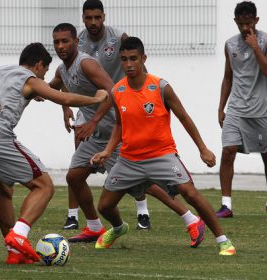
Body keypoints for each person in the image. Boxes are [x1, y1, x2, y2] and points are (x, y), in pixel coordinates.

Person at [0, 43, 108, 265]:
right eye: (45, 72)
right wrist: (97, 99)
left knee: (4, 190)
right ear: (39, 64)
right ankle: (19, 235)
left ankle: (15, 252)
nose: (44, 77)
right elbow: (65, 99)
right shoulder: (30, 79)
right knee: (44, 186)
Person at [50, 23, 206, 248]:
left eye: (65, 41)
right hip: (95, 137)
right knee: (74, 177)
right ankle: (94, 227)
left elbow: (110, 92)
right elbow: (54, 87)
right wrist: (31, 89)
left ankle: (191, 220)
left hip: (113, 133)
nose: (60, 46)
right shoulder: (63, 69)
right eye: (57, 42)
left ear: (76, 41)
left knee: (143, 185)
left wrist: (93, 121)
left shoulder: (86, 64)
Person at [91, 37, 236, 256]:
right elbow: (120, 125)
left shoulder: (160, 87)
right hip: (129, 160)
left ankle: (223, 241)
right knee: (104, 206)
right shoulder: (117, 91)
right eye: (124, 60)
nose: (128, 64)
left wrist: (203, 148)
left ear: (143, 59)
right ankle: (119, 228)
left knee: (190, 194)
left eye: (133, 59)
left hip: (162, 156)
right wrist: (108, 151)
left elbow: (184, 118)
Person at [61, 0, 150, 231]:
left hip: (119, 107)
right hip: (91, 109)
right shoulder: (76, 42)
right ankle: (74, 216)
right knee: (76, 166)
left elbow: (138, 69)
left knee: (131, 164)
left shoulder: (118, 37)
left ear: (104, 16)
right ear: (83, 18)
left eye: (97, 17)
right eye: (88, 17)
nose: (93, 22)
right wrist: (66, 106)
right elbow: (64, 74)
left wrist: (142, 100)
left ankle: (143, 211)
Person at [216, 1, 267, 218]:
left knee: (266, 156)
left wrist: (255, 46)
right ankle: (226, 205)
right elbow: (228, 77)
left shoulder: (265, 41)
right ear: (236, 22)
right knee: (228, 151)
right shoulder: (230, 44)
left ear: (256, 20)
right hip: (236, 108)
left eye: (249, 23)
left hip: (261, 110)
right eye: (241, 23)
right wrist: (221, 107)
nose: (245, 28)